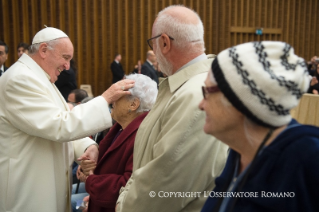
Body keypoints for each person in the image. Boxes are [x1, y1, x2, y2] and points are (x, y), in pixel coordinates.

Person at [0, 27, 134, 212]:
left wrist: (88, 147)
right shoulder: (20, 79)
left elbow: (58, 119)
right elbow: (58, 125)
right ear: (44, 50)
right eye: (65, 57)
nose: (67, 66)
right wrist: (105, 99)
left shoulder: (40, 78)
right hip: (28, 188)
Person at [116, 5, 228, 212]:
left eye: (153, 44)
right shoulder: (187, 87)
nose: (155, 53)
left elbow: (162, 188)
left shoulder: (194, 95)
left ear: (165, 42)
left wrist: (123, 203)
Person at [200, 41, 319, 212]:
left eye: (207, 92)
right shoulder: (240, 152)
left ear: (238, 100)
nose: (201, 104)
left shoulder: (308, 159)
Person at [79, 74, 158, 212]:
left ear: (133, 104)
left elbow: (128, 185)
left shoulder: (142, 135)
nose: (111, 101)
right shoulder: (121, 128)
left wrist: (91, 179)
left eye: (118, 95)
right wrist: (90, 165)